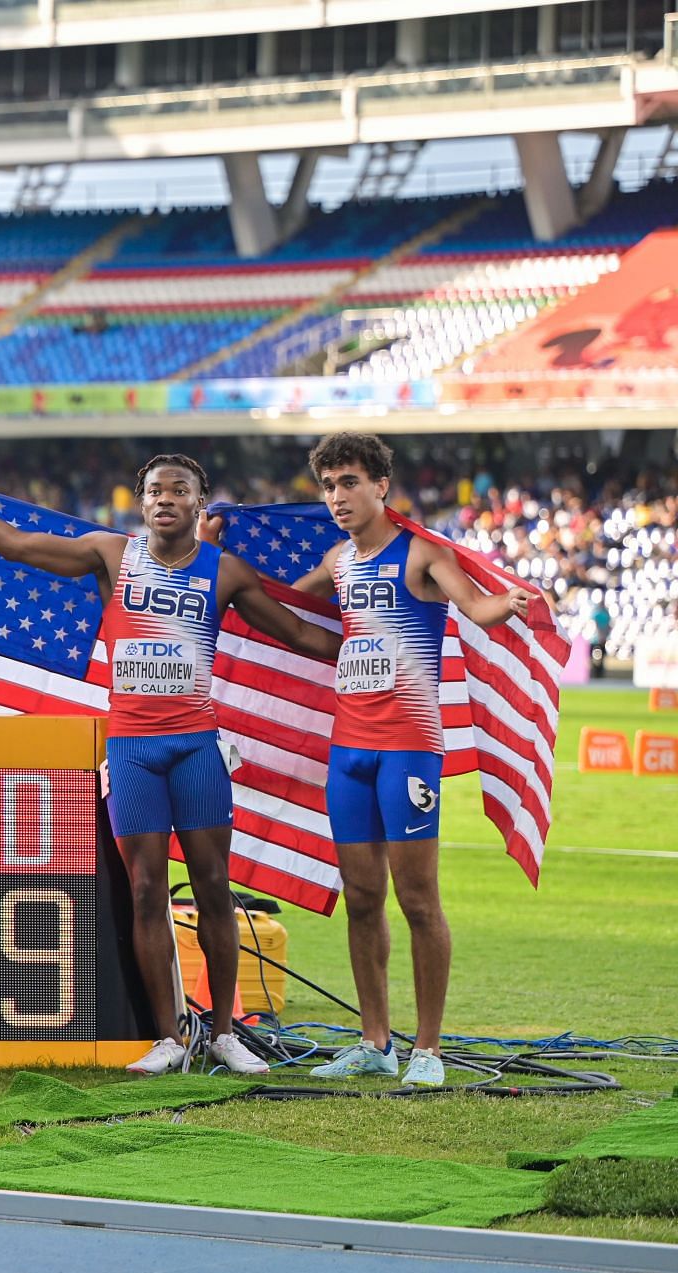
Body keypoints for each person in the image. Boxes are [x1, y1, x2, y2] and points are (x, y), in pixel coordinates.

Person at [0, 456, 342, 1075]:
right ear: (141, 503)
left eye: (178, 490)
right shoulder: (112, 555)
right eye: (155, 490)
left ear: (199, 503)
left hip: (194, 748)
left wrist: (383, 640)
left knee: (214, 888)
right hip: (132, 750)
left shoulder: (226, 572)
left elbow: (300, 634)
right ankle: (166, 1037)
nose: (165, 499)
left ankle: (222, 1035)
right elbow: (15, 545)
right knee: (144, 892)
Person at [219, 432, 528, 1088]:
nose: (337, 496)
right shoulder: (338, 561)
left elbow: (475, 606)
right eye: (328, 484)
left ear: (381, 485)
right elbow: (280, 608)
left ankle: (429, 1049)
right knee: (361, 896)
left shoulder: (422, 554)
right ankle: (375, 1041)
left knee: (418, 898)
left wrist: (509, 603)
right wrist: (217, 558)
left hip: (409, 748)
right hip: (350, 749)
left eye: (349, 481)